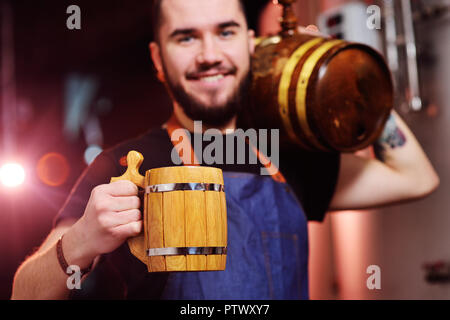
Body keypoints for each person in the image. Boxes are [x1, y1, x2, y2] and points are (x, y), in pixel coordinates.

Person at [11, 0, 439, 300]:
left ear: (250, 45)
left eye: (226, 32)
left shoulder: (286, 153)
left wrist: (349, 79)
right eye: (186, 38)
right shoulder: (126, 165)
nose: (210, 54)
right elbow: (24, 294)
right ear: (159, 59)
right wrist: (83, 240)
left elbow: (416, 177)